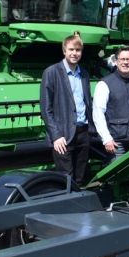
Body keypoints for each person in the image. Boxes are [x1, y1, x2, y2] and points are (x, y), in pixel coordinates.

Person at [40, 33, 93, 187]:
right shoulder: (51, 72)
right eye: (71, 49)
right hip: (63, 135)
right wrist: (55, 136)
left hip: (83, 132)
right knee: (66, 179)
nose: (74, 53)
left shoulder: (84, 74)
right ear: (64, 51)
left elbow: (86, 103)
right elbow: (46, 108)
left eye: (78, 50)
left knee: (80, 177)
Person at [93, 46, 129, 162]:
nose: (125, 62)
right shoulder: (104, 84)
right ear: (116, 61)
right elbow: (98, 113)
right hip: (116, 143)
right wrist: (106, 138)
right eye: (122, 59)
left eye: (128, 59)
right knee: (117, 177)